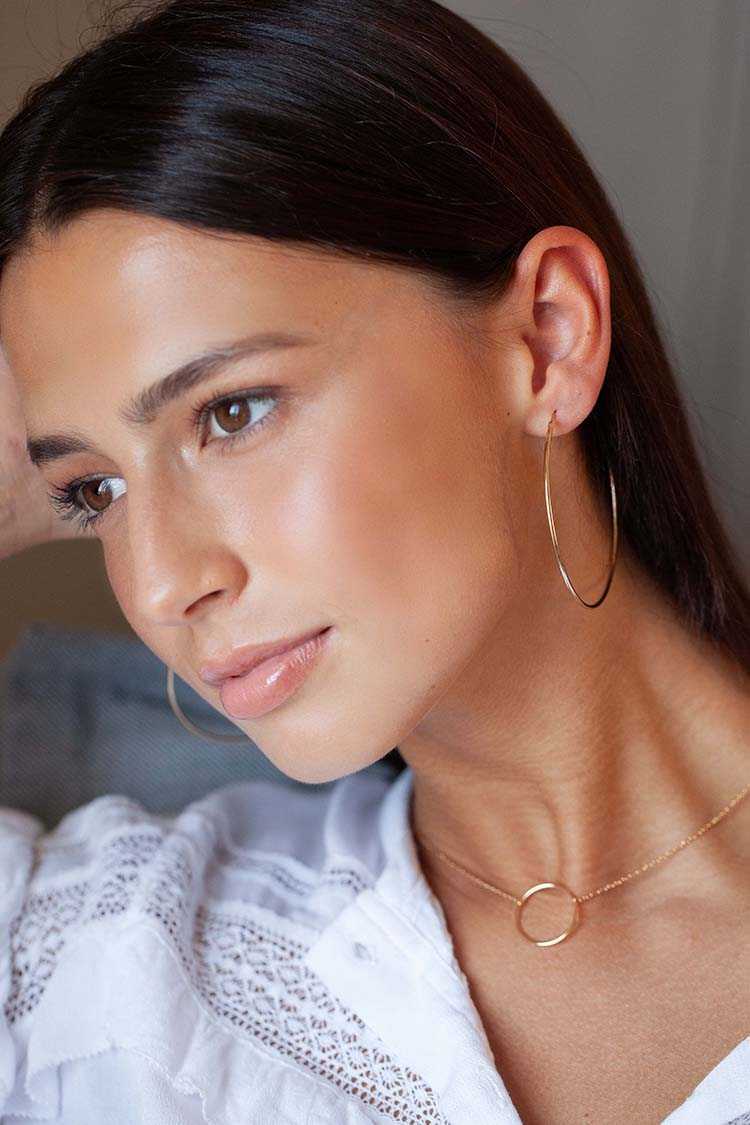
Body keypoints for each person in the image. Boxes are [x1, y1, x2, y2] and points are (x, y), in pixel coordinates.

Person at [0, 0, 748, 1121]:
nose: (159, 584)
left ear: (547, 337)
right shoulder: (99, 967)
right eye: (94, 491)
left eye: (234, 411)